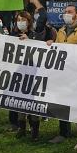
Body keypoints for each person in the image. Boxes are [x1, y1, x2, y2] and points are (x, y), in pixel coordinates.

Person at [49, 4, 77, 148]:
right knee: (62, 103)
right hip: (63, 74)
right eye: (65, 12)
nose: (66, 14)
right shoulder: (61, 31)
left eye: (69, 12)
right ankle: (63, 132)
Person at [12, 11, 49, 141]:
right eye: (18, 19)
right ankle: (21, 127)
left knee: (33, 102)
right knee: (20, 102)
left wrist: (30, 41)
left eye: (23, 19)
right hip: (19, 73)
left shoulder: (35, 35)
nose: (21, 22)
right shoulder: (12, 35)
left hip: (34, 74)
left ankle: (35, 130)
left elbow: (40, 48)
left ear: (28, 21)